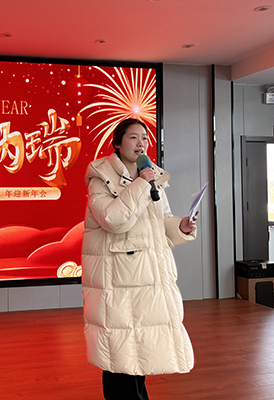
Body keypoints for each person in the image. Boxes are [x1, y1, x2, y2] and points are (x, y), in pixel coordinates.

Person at [82, 118, 197, 400]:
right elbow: (112, 220)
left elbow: (159, 224)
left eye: (144, 138)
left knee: (139, 352)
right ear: (117, 143)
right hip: (118, 282)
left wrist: (181, 227)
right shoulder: (101, 177)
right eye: (133, 137)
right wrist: (142, 184)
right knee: (119, 352)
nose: (141, 143)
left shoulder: (151, 177)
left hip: (149, 280)